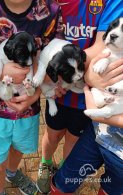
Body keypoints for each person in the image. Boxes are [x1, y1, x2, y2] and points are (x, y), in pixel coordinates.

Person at [0, 0, 64, 194]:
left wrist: (35, 94)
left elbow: (52, 57)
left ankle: (12, 173)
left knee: (19, 148)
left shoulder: (50, 10)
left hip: (28, 106)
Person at [36, 0, 123, 194]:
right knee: (52, 134)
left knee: (73, 141)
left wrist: (73, 72)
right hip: (59, 90)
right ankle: (45, 164)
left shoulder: (110, 3)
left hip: (86, 96)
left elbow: (103, 47)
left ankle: (66, 175)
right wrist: (49, 76)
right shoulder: (45, 5)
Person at [50, 52, 123, 195]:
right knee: (64, 181)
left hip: (118, 153)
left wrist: (105, 117)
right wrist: (90, 77)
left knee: (111, 190)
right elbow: (93, 70)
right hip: (97, 133)